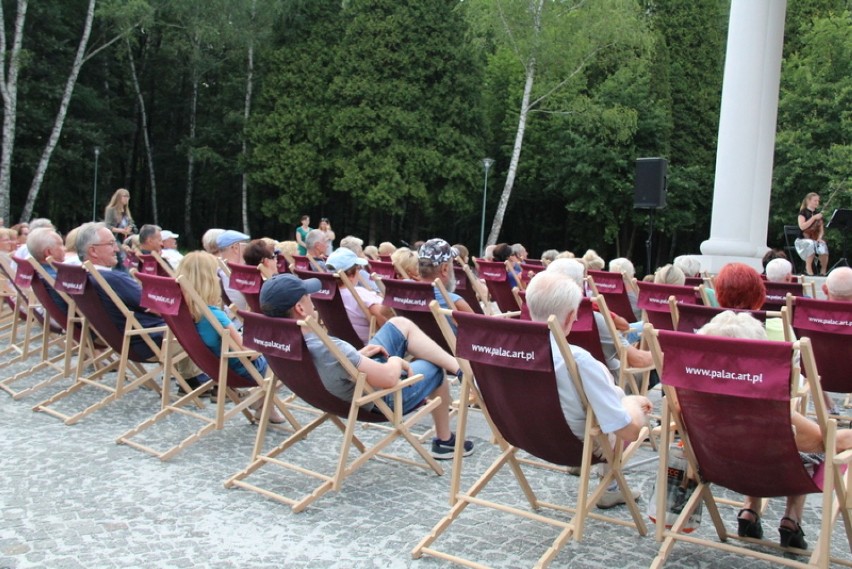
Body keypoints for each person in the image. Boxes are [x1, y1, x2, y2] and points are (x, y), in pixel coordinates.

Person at [260, 272, 473, 459]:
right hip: (377, 398)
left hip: (335, 388)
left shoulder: (279, 340)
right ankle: (445, 440)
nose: (312, 299)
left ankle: (459, 369)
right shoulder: (327, 348)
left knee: (399, 324)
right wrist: (397, 361)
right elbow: (389, 379)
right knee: (433, 366)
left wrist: (355, 356)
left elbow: (332, 366)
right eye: (307, 296)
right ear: (299, 308)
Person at [698, 310, 852, 549]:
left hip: (720, 467)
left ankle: (750, 509)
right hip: (774, 472)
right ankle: (791, 517)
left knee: (758, 444)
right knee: (809, 450)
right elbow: (824, 441)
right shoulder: (768, 406)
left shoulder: (692, 396)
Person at [526, 270, 652, 508]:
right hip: (577, 445)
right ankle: (611, 487)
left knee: (604, 401)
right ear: (572, 315)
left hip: (528, 436)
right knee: (618, 403)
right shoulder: (579, 361)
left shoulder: (510, 351)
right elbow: (628, 432)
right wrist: (633, 405)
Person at [75, 222, 208, 390]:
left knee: (186, 323)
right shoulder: (113, 280)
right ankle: (217, 381)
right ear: (93, 251)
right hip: (147, 342)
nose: (117, 248)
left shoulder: (83, 277)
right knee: (203, 325)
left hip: (121, 340)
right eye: (110, 244)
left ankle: (194, 380)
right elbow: (158, 307)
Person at [177, 251, 284, 422]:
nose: (219, 278)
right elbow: (250, 353)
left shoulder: (184, 312)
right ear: (209, 280)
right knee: (288, 357)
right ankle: (258, 397)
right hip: (244, 369)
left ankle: (265, 408)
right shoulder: (214, 315)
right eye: (216, 274)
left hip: (215, 365)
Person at [547, 258, 653, 379]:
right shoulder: (595, 318)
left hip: (560, 382)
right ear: (580, 285)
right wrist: (664, 356)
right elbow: (637, 360)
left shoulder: (538, 318)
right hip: (606, 382)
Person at [325, 247, 392, 344]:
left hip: (340, 345)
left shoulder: (327, 294)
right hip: (369, 347)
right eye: (358, 268)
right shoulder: (359, 294)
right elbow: (381, 314)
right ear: (351, 275)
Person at [417, 238, 474, 314]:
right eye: (452, 263)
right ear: (444, 269)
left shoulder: (405, 292)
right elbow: (478, 326)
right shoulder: (455, 302)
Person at [216, 229, 251, 311]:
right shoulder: (241, 273)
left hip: (229, 318)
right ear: (235, 247)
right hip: (245, 320)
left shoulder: (219, 270)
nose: (248, 248)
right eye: (245, 245)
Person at [795, 192, 829, 276]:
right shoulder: (802, 213)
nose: (817, 203)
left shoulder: (818, 214)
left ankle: (823, 270)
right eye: (815, 201)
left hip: (814, 239)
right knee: (811, 244)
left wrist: (820, 238)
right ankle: (808, 269)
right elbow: (802, 227)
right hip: (802, 240)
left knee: (822, 245)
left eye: (818, 201)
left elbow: (821, 230)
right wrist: (813, 218)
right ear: (808, 201)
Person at [104, 189, 135, 270]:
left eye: (128, 196)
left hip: (125, 240)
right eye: (124, 196)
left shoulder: (126, 212)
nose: (126, 198)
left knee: (126, 259)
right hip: (114, 239)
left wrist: (130, 228)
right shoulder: (111, 209)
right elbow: (107, 226)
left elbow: (132, 224)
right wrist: (121, 230)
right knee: (122, 258)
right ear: (118, 197)